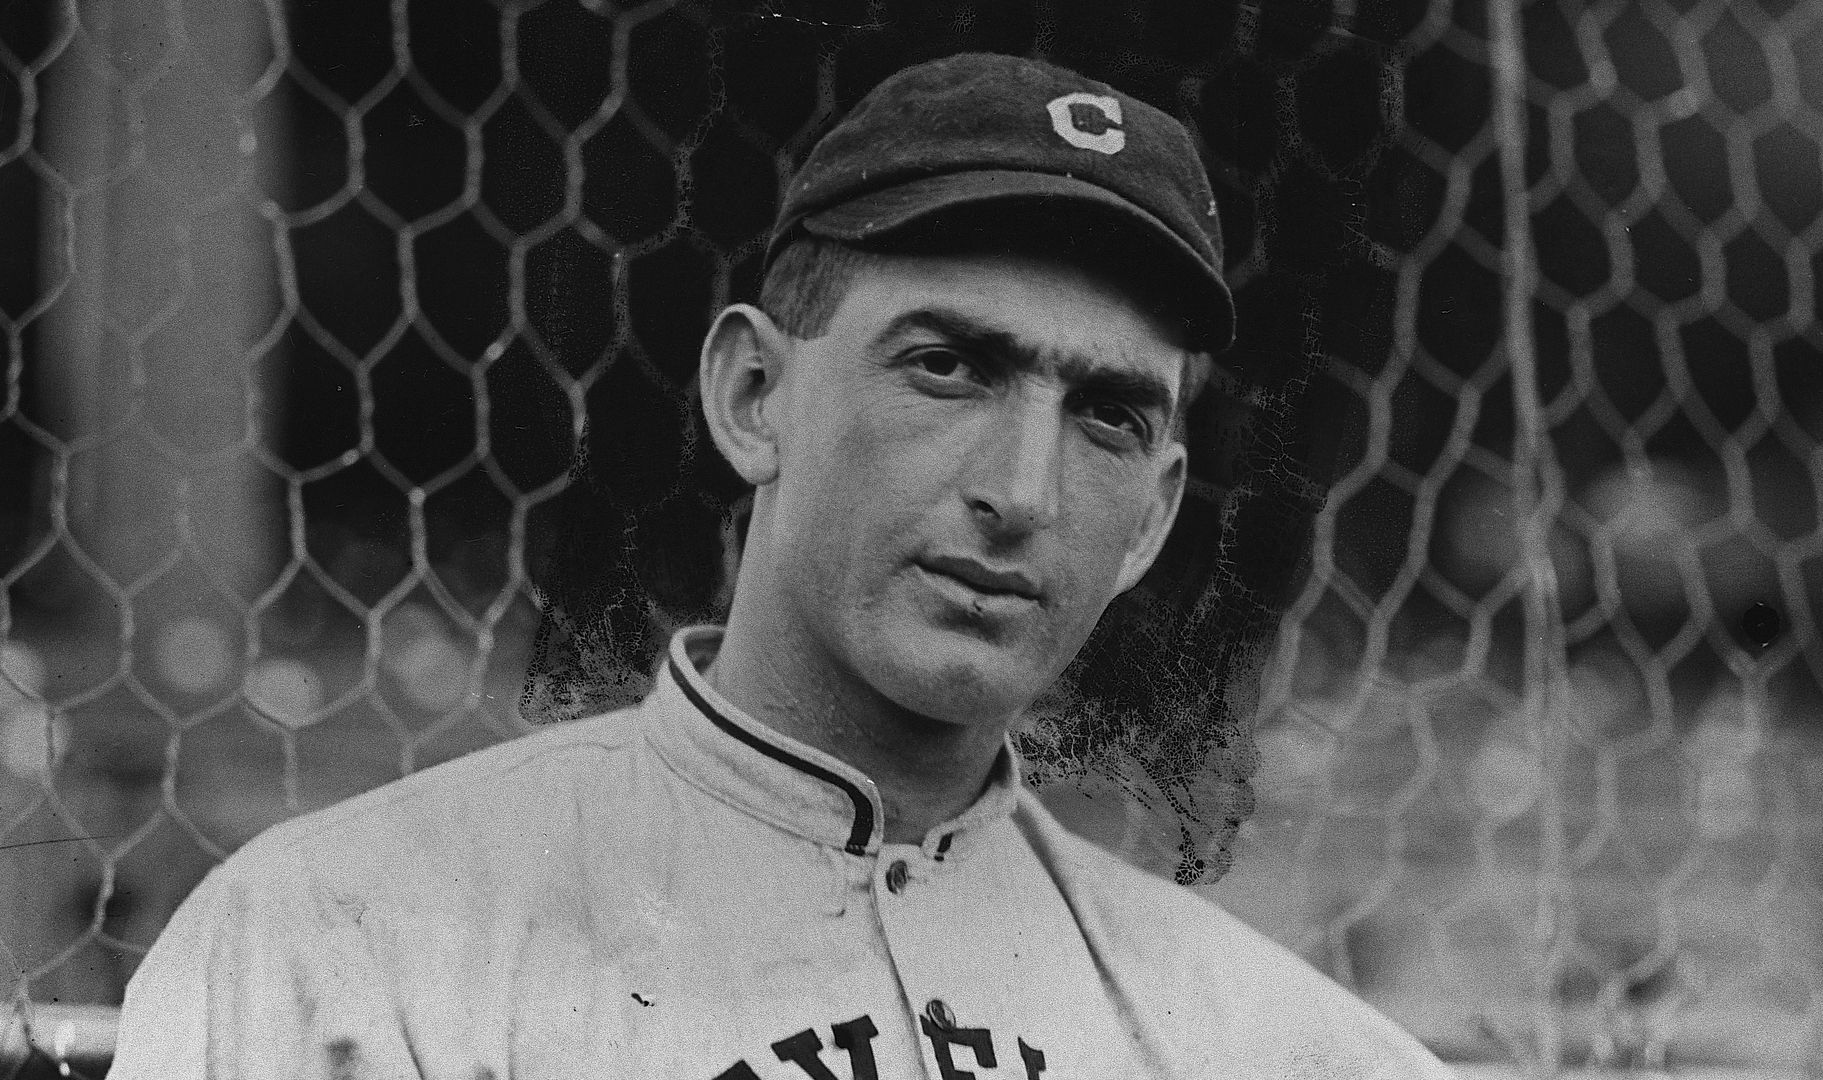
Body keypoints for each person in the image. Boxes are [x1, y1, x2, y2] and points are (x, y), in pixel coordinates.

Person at [109, 53, 1453, 1079]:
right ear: (755, 395)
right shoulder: (340, 945)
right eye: (948, 366)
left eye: (1108, 416)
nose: (1023, 492)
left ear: (1152, 521)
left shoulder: (1260, 1043)